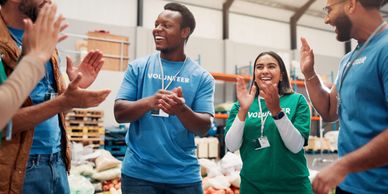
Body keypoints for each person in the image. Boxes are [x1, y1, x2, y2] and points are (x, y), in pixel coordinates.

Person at [0, 0, 111, 193]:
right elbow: (4, 121)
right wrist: (63, 101)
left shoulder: (46, 43)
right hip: (19, 168)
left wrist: (73, 91)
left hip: (56, 161)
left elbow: (55, 109)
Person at [114, 2, 214, 194]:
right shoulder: (138, 67)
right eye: (156, 24)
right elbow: (119, 113)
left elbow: (203, 127)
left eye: (166, 26)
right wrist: (149, 102)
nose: (157, 30)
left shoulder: (201, 77)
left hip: (183, 176)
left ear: (185, 32)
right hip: (139, 175)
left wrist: (181, 110)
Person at [299, 0, 388, 193]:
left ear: (351, 4)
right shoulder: (348, 59)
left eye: (329, 9)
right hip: (348, 185)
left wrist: (342, 165)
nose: (326, 19)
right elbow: (330, 111)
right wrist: (309, 73)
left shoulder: (385, 48)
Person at [225, 51, 312, 194]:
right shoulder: (240, 105)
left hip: (293, 187)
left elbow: (296, 146)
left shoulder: (297, 101)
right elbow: (232, 145)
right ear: (254, 74)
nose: (265, 71)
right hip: (252, 187)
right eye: (259, 67)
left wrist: (277, 112)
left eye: (271, 66)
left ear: (282, 74)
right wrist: (243, 110)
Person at [0, 3, 67, 129]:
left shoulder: (45, 41)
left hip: (55, 147)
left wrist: (76, 87)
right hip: (20, 149)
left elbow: (60, 108)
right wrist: (61, 104)